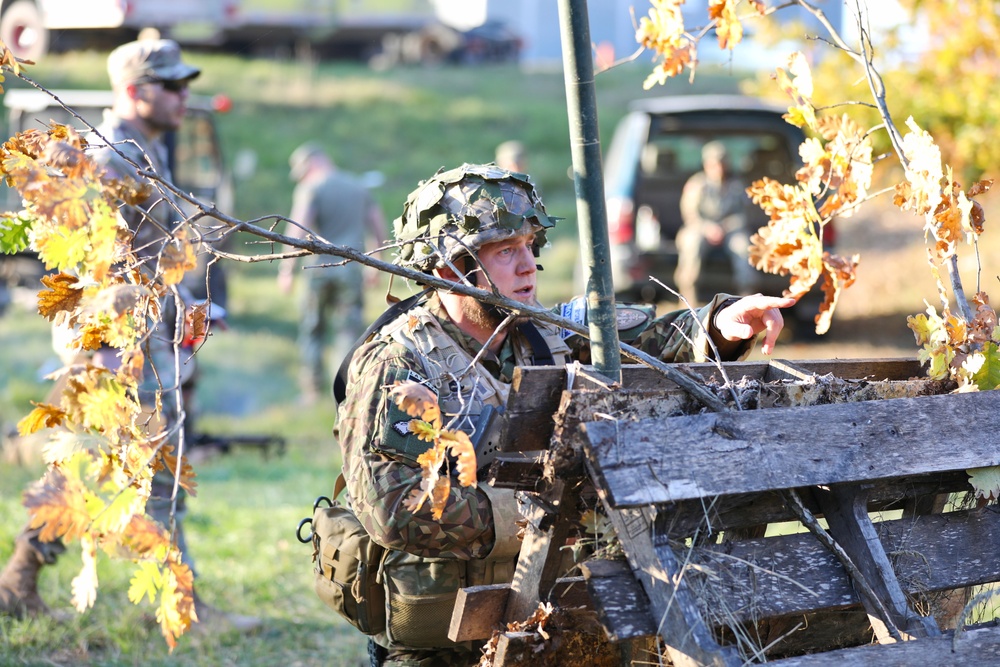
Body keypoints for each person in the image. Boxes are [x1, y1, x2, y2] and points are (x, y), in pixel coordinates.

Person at [333, 164, 795, 666]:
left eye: (531, 245)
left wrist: (721, 326)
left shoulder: (541, 335)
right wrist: (533, 515)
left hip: (547, 619)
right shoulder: (397, 365)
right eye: (506, 251)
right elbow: (391, 507)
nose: (528, 265)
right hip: (441, 640)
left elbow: (646, 347)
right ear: (450, 268)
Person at [88, 38, 255, 633]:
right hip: (123, 344)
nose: (186, 95)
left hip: (147, 335)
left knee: (91, 471)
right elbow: (101, 264)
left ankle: (18, 581)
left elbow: (149, 254)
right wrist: (113, 352)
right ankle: (181, 610)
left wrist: (187, 304)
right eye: (173, 86)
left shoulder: (148, 149)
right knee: (157, 472)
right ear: (135, 92)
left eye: (187, 85)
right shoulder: (112, 159)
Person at [279, 142, 385, 405]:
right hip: (350, 270)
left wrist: (287, 269)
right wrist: (377, 261)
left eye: (302, 172)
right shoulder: (358, 187)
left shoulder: (311, 188)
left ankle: (311, 392)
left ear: (312, 164)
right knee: (349, 331)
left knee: (313, 329)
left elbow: (297, 228)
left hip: (319, 271)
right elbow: (377, 225)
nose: (302, 178)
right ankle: (346, 392)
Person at [674, 140, 757, 304]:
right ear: (706, 164)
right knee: (691, 243)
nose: (717, 168)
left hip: (730, 231)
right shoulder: (697, 184)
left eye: (721, 163)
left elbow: (745, 215)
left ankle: (748, 300)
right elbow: (689, 214)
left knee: (743, 246)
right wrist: (708, 228)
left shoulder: (736, 186)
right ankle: (687, 300)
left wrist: (724, 227)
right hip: (700, 229)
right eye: (713, 164)